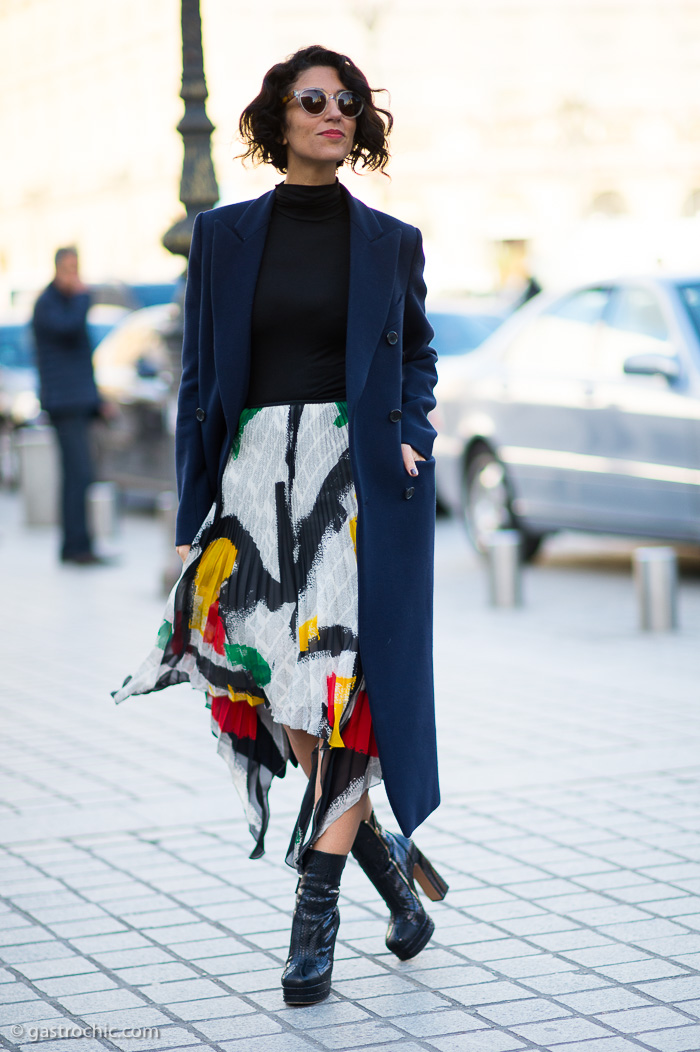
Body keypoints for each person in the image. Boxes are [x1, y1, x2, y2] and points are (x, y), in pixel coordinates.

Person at [113, 44, 447, 1005]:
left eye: (348, 102)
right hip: (255, 487)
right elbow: (195, 385)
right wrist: (190, 518)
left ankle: (314, 921)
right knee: (293, 697)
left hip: (354, 492)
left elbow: (417, 354)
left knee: (342, 697)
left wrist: (409, 432)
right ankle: (399, 890)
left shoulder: (391, 241)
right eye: (314, 100)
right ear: (279, 120)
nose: (334, 113)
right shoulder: (223, 237)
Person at [32, 247, 101, 564]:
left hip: (76, 401)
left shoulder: (62, 302)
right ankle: (75, 547)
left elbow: (80, 357)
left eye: (77, 268)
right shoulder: (48, 304)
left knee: (79, 475)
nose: (75, 276)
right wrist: (83, 298)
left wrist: (97, 400)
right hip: (65, 403)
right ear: (58, 268)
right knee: (78, 474)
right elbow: (69, 328)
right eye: (70, 269)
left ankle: (77, 545)